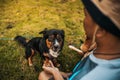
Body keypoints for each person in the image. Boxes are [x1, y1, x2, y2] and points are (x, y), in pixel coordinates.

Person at [38, 0, 120, 80]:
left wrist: (55, 75)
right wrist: (64, 74)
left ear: (101, 30)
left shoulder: (93, 76)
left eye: (85, 15)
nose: (83, 21)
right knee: (44, 75)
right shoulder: (102, 52)